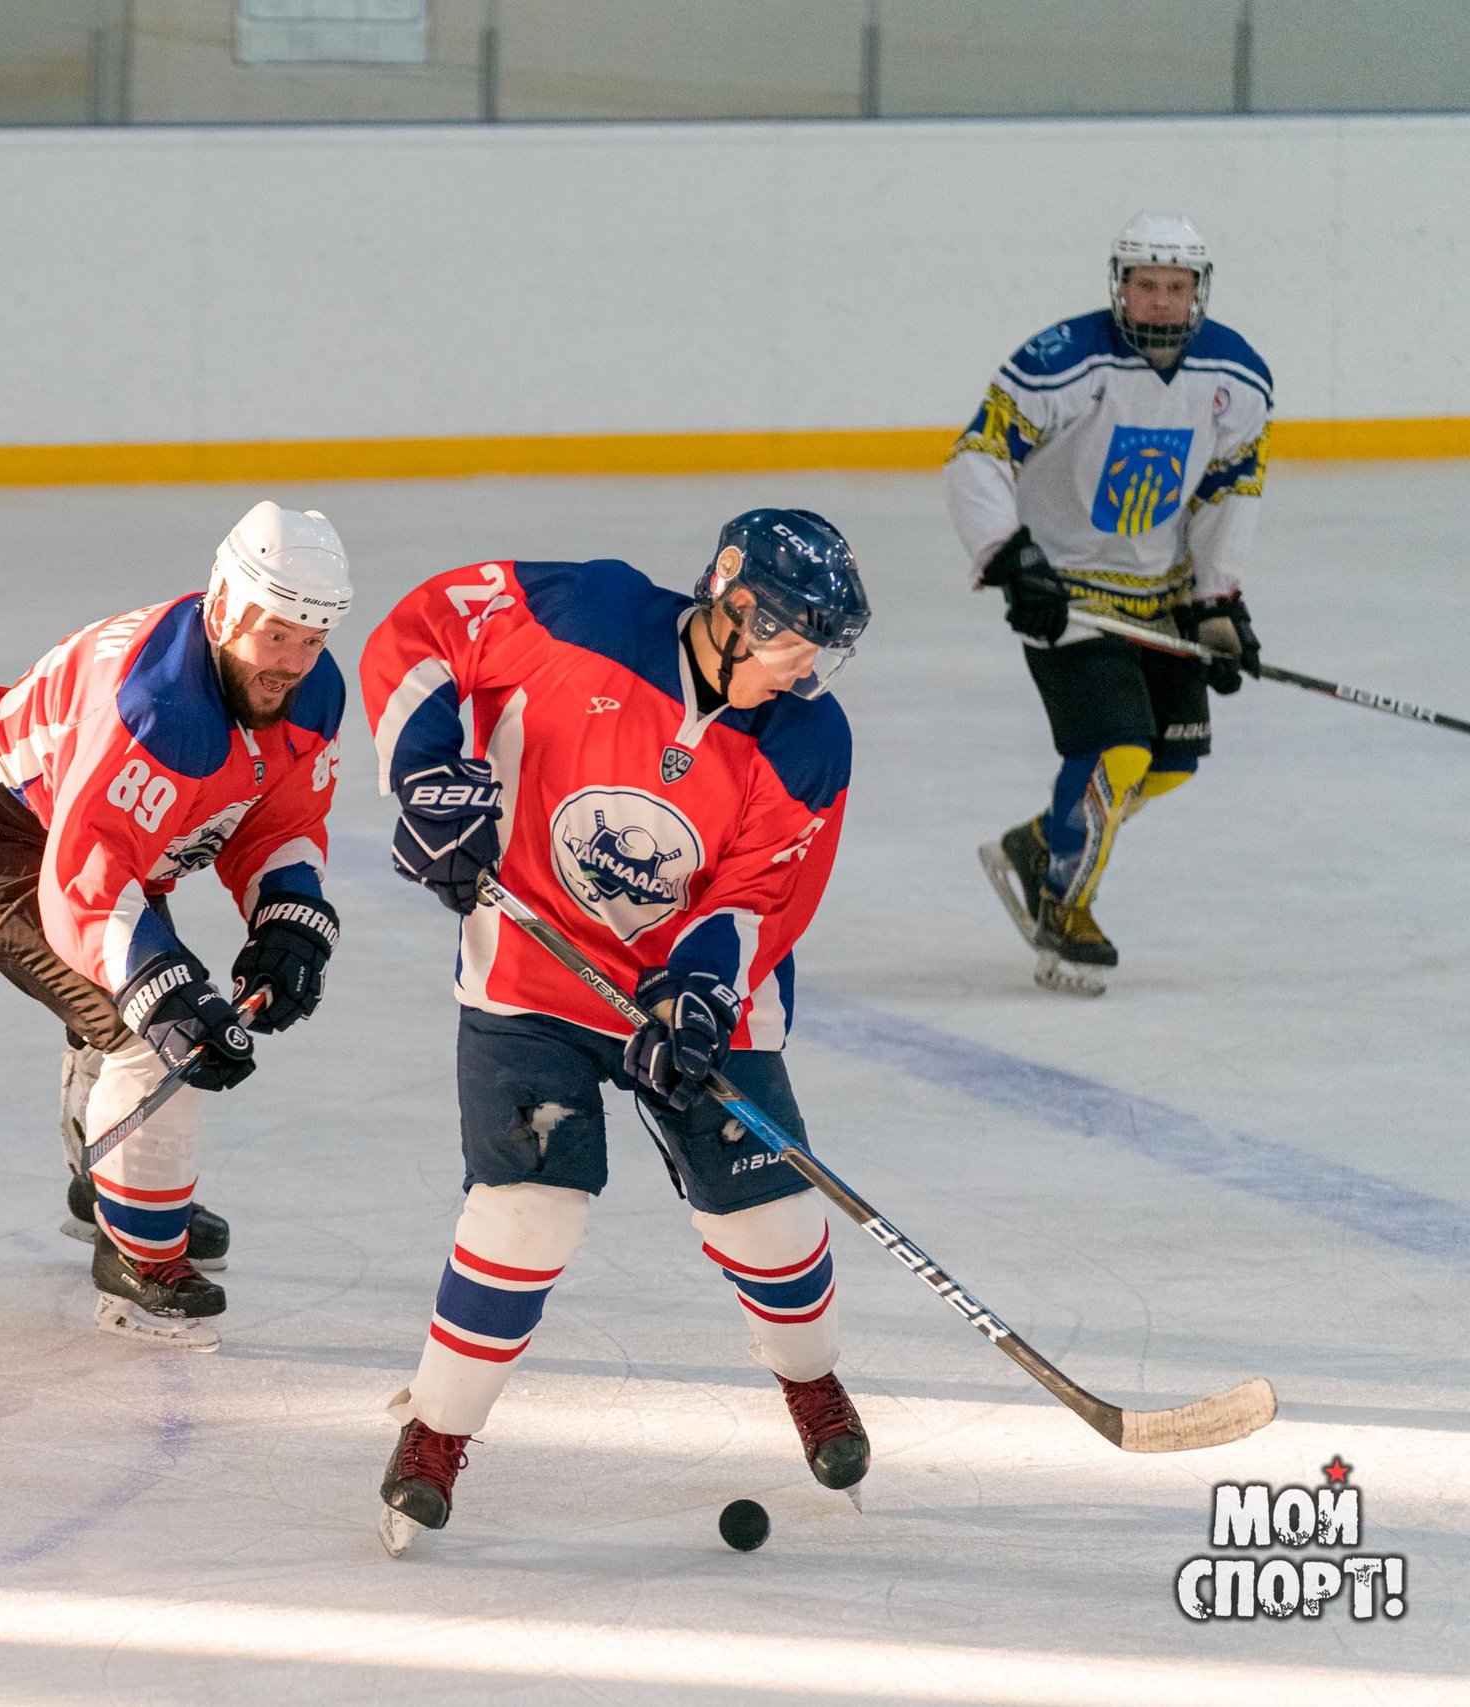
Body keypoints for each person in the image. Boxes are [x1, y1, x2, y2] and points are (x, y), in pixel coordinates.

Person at [360, 510, 871, 1554]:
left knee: (765, 1222)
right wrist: (423, 772)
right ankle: (434, 1436)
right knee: (526, 1211)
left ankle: (810, 1382)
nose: (804, 666)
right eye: (789, 638)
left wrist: (696, 995)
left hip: (697, 996)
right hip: (530, 977)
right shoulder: (582, 613)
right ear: (731, 604)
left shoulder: (810, 738)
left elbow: (763, 894)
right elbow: (423, 630)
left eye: (821, 645)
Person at [0, 501, 349, 1349]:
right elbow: (86, 883)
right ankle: (139, 1258)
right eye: (276, 636)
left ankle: (106, 1187)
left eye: (312, 639)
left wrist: (288, 921)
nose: (292, 664)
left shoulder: (306, 691)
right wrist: (166, 992)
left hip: (85, 830)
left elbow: (271, 819)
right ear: (224, 610)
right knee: (149, 1032)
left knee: (141, 1001)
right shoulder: (158, 705)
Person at [947, 213, 1273, 995]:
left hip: (1157, 596)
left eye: (1177, 286)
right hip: (1068, 596)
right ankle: (1066, 907)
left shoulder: (1239, 376)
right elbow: (979, 454)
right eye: (1146, 284)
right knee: (1114, 753)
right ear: (1120, 285)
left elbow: (1231, 489)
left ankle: (1040, 845)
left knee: (1171, 762)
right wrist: (1010, 557)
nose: (1161, 301)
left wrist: (1216, 598)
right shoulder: (1062, 361)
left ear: (1199, 291)